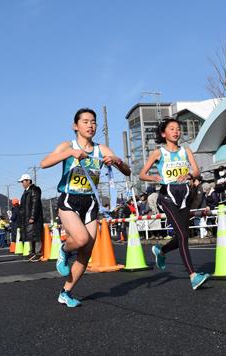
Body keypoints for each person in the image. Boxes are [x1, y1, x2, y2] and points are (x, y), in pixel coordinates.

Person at [40, 107, 131, 307]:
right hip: (69, 200)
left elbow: (127, 171)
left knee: (86, 252)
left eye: (93, 122)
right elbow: (44, 163)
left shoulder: (101, 149)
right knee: (80, 239)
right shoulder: (67, 145)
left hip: (90, 202)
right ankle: (63, 250)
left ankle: (66, 292)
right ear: (75, 126)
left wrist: (116, 161)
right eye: (86, 121)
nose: (90, 125)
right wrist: (70, 153)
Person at [139, 117, 210, 290]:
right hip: (167, 196)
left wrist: (190, 176)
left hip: (185, 195)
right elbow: (142, 174)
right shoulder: (158, 153)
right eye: (172, 129)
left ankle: (161, 251)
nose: (176, 131)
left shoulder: (186, 150)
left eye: (178, 128)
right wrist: (153, 177)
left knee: (182, 236)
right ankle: (193, 275)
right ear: (164, 133)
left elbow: (196, 170)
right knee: (183, 236)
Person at [18, 173, 44, 262]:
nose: (22, 183)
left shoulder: (34, 190)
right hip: (26, 217)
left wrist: (32, 216)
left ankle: (38, 253)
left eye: (23, 181)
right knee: (30, 236)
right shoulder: (26, 191)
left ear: (28, 181)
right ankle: (31, 253)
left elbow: (35, 204)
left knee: (36, 235)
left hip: (33, 218)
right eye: (21, 182)